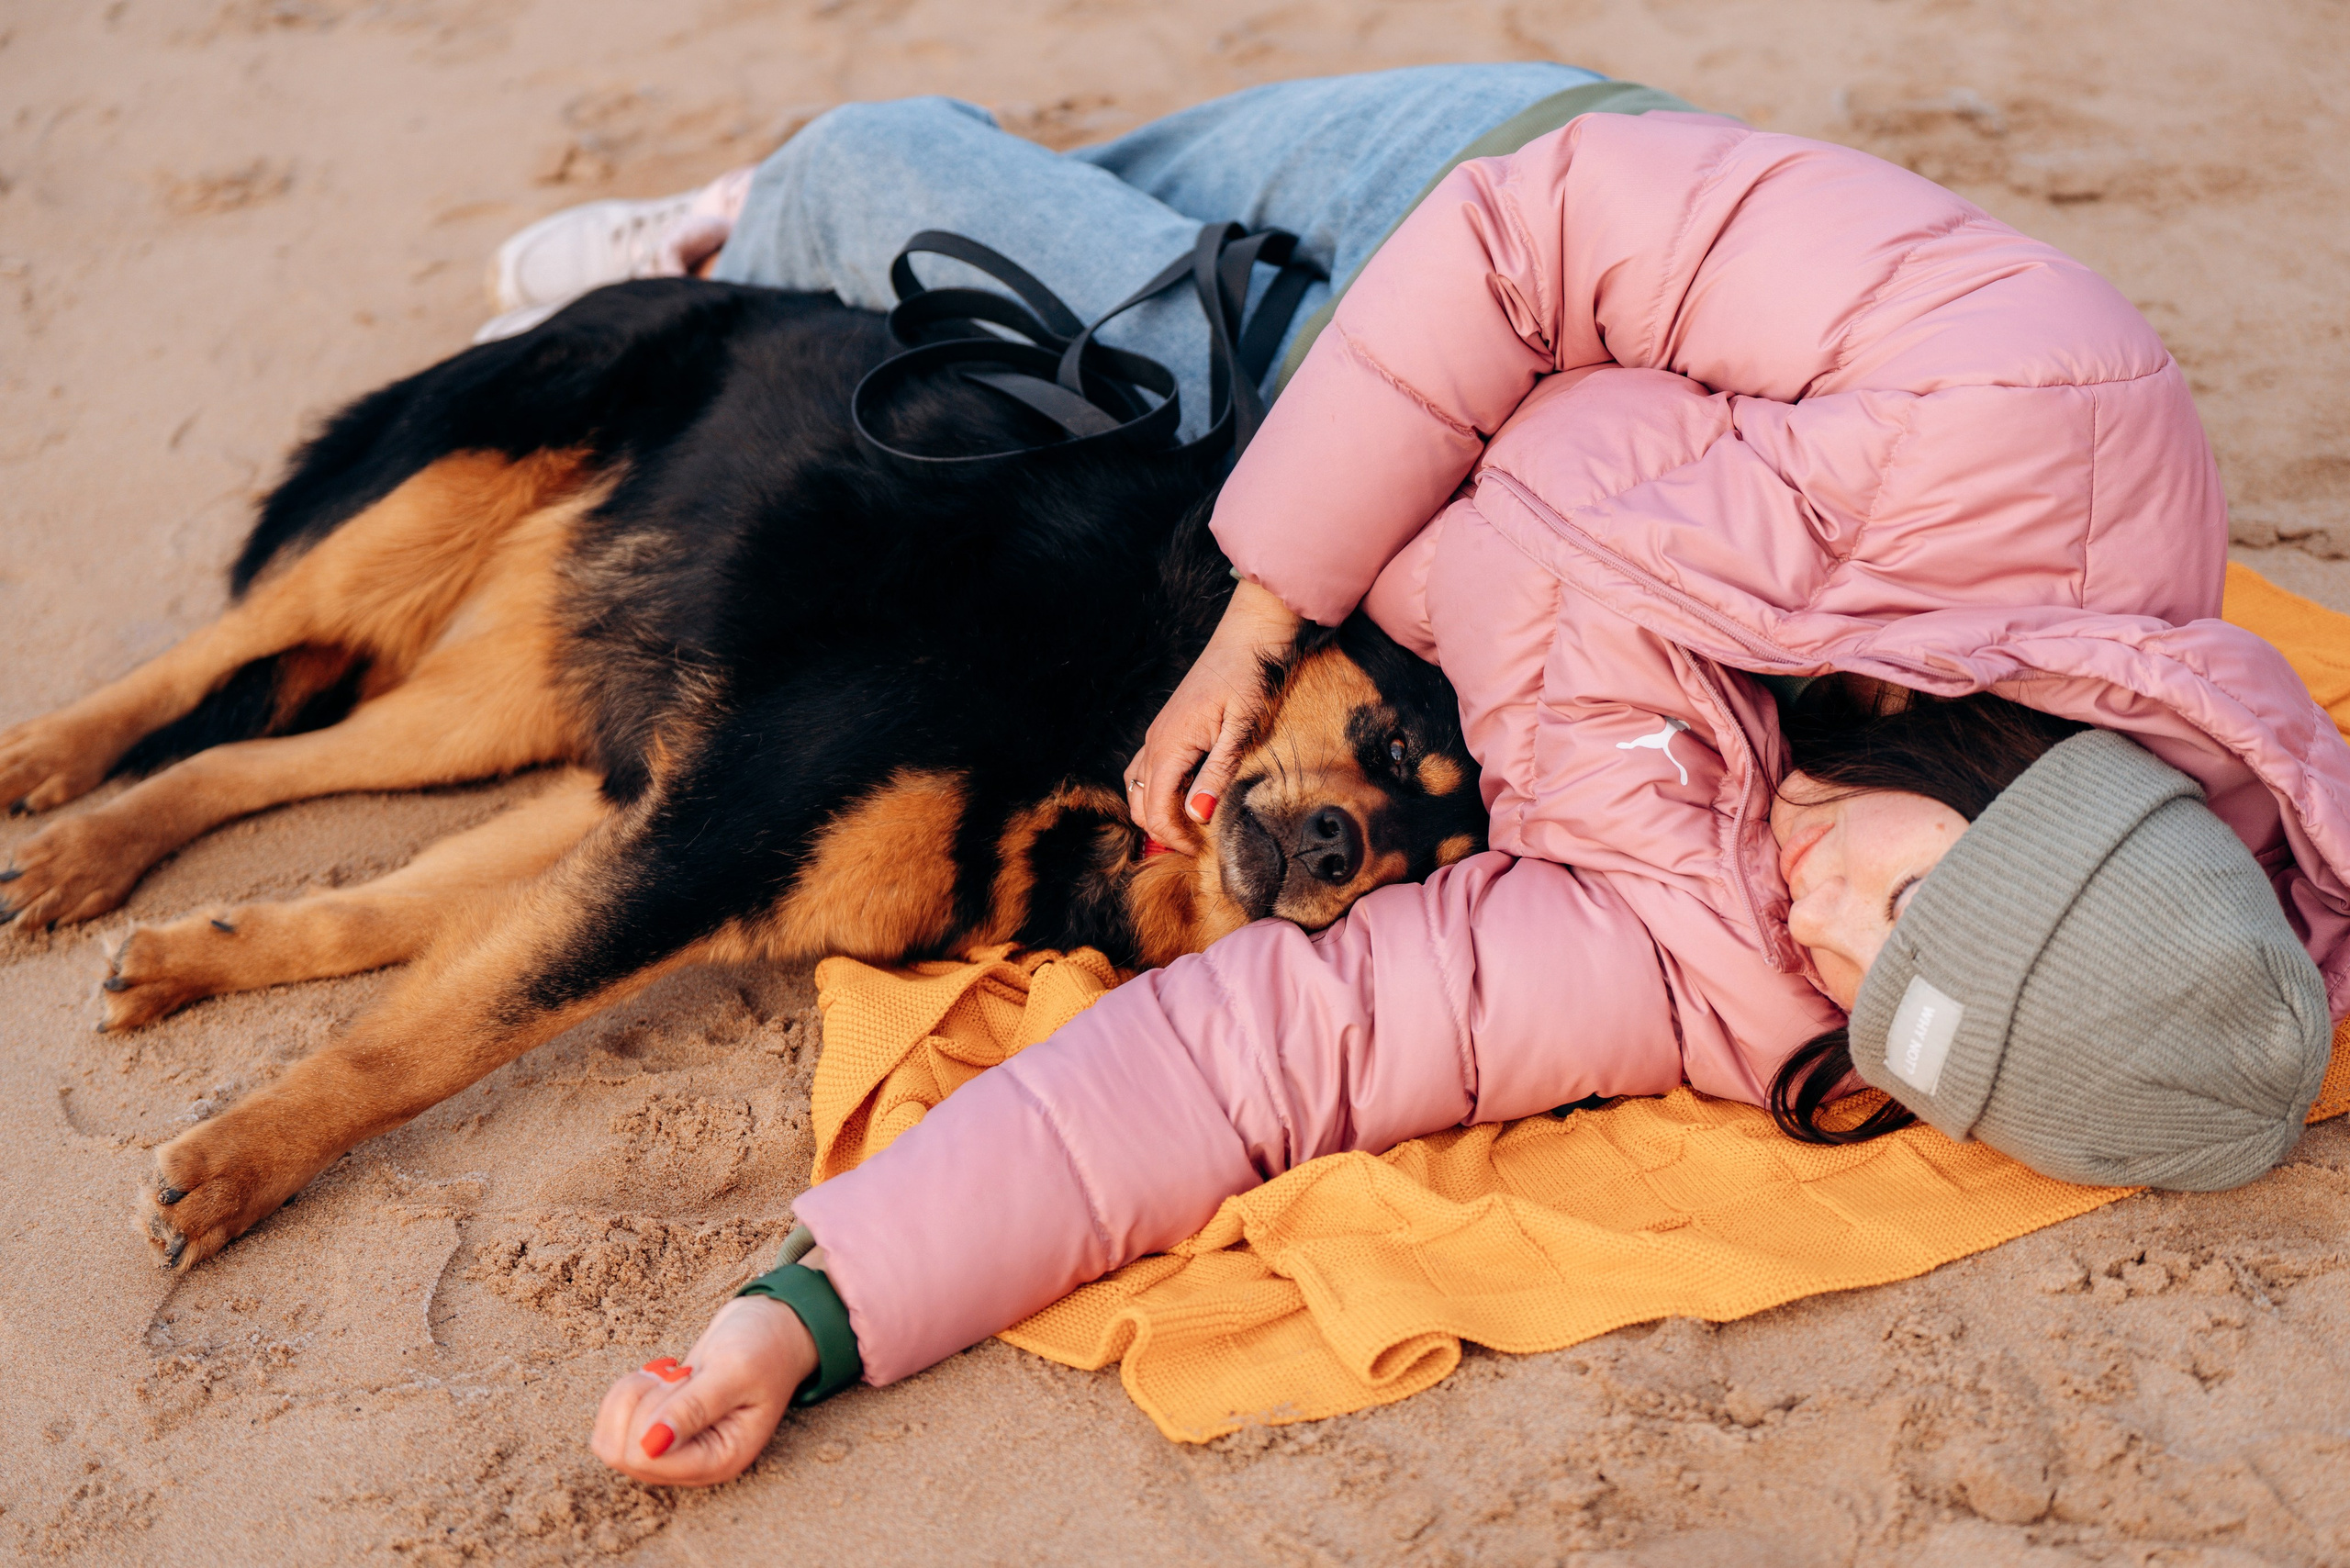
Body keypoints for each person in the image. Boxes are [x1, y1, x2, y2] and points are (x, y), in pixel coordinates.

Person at [474, 66, 2350, 1486]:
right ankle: (748, 215)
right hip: (1495, 212)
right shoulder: (2044, 417)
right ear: (2040, 787)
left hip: (1360, 454)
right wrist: (1254, 610)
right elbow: (1544, 229)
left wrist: (803, 1312)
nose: (1827, 920)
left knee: (1050, 264)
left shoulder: (1726, 967)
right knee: (961, 192)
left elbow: (1262, 1062)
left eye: (1885, 998)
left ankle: (793, 221)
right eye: (1913, 898)